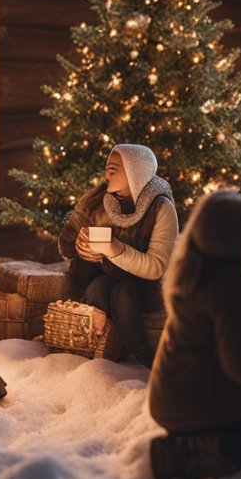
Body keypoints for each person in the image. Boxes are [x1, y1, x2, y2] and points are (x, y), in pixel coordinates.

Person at [147, 190, 241, 479]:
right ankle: (194, 454)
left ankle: (185, 441)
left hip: (167, 400)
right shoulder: (235, 286)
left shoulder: (190, 272)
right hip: (200, 405)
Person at [57, 144, 178, 367]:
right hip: (107, 275)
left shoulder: (161, 208)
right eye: (107, 168)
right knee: (98, 286)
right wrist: (82, 247)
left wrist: (114, 249)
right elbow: (66, 245)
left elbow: (155, 268)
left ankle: (147, 360)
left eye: (114, 170)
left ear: (135, 172)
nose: (106, 175)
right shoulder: (97, 200)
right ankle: (99, 350)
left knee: (123, 293)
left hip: (144, 286)